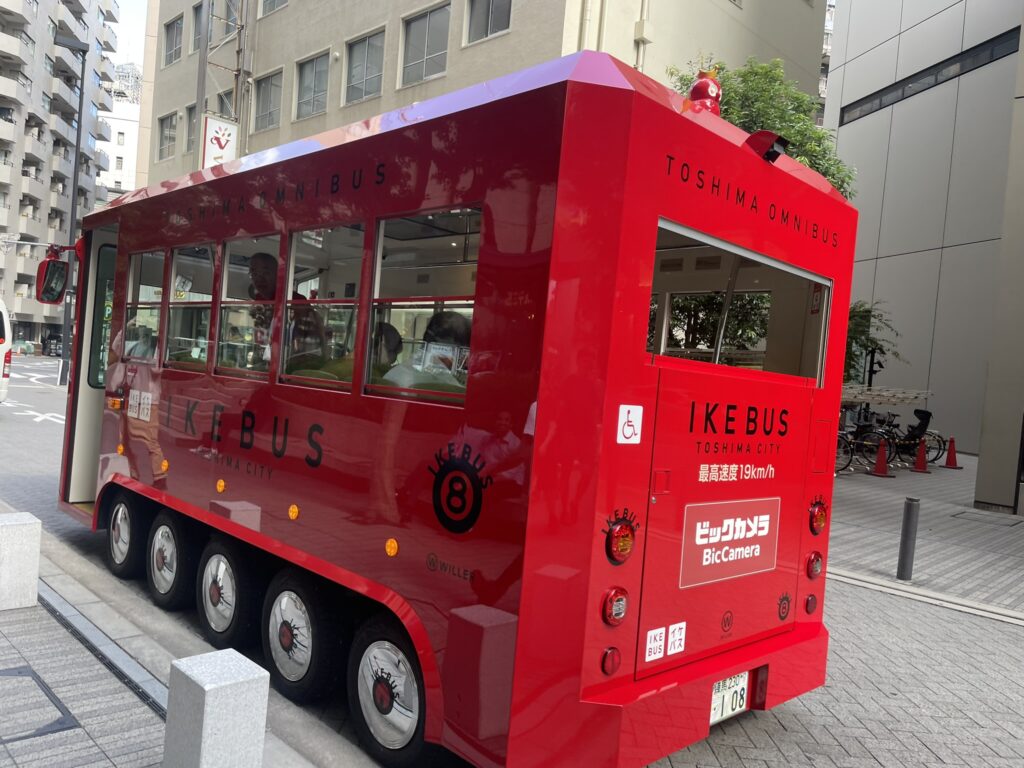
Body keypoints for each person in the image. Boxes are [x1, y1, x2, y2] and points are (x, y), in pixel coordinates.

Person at [383, 310, 471, 391]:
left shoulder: (397, 372)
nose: (466, 359)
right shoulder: (444, 383)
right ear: (451, 350)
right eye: (465, 351)